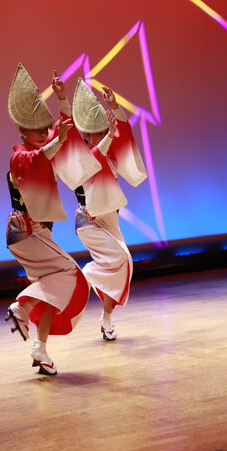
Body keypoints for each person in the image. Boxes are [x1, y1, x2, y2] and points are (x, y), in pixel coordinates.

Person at [4, 65, 99, 375]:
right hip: (26, 232)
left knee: (51, 289)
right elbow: (39, 156)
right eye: (38, 131)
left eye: (46, 130)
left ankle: (40, 350)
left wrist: (61, 98)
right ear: (22, 131)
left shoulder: (42, 149)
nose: (44, 134)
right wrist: (55, 141)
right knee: (71, 274)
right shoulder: (20, 154)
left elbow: (64, 131)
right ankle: (21, 306)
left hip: (35, 235)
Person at [70, 79, 147, 341]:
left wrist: (114, 109)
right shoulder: (80, 158)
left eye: (104, 131)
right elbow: (95, 158)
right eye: (98, 132)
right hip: (88, 221)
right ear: (87, 135)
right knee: (122, 260)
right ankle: (84, 275)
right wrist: (108, 137)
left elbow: (123, 135)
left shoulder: (106, 151)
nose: (103, 135)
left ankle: (107, 320)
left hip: (110, 219)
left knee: (122, 268)